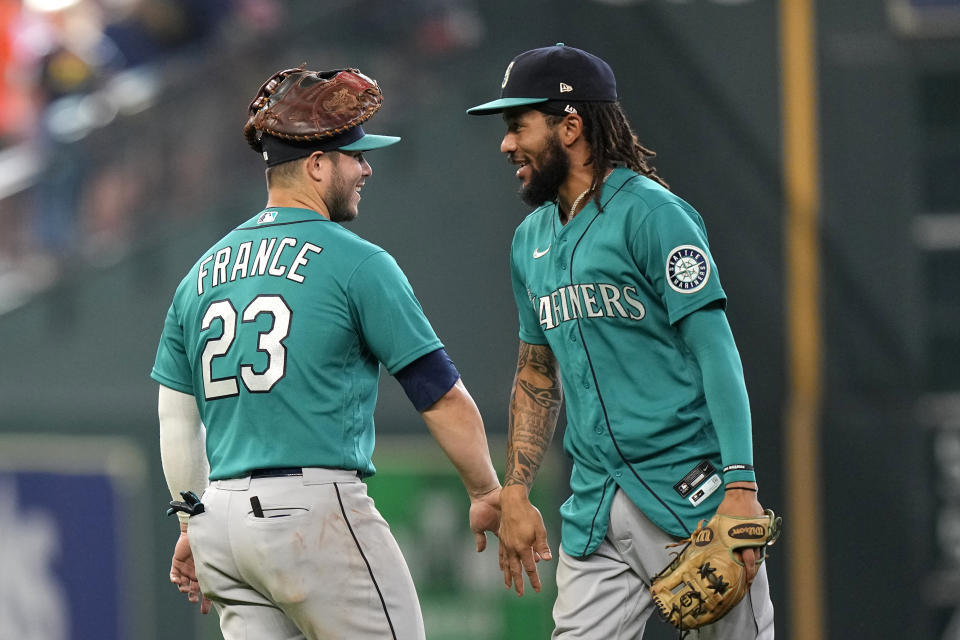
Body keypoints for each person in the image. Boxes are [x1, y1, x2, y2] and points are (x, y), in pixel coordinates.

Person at [151, 65, 501, 640]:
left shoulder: (200, 274)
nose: (366, 167)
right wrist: (488, 491)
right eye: (354, 154)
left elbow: (176, 417)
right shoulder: (355, 261)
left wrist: (194, 520)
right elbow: (440, 395)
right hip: (309, 512)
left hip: (221, 527)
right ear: (316, 164)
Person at [467, 44, 776, 638]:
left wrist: (740, 486)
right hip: (595, 506)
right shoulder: (528, 239)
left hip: (690, 494)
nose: (506, 144)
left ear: (571, 126)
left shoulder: (655, 216)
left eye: (518, 126)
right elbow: (536, 372)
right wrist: (516, 490)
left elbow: (717, 352)